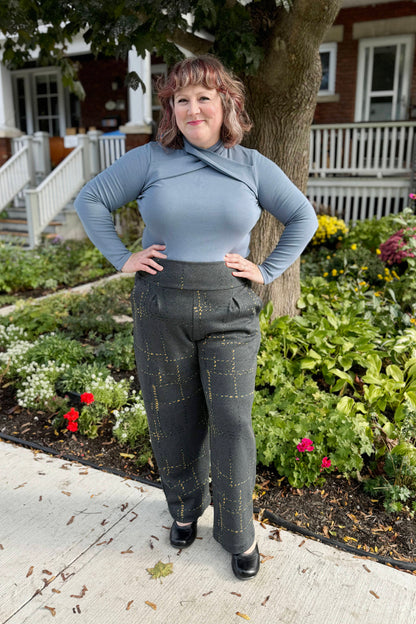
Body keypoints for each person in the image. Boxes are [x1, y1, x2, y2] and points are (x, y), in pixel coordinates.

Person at [75, 54, 318, 580]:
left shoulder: (252, 164)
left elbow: (303, 215)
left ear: (225, 103)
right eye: (180, 100)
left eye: (203, 97)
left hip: (230, 308)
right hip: (160, 305)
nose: (192, 108)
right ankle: (184, 509)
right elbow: (91, 199)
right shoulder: (150, 160)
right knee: (172, 415)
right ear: (171, 110)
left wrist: (267, 268)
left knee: (232, 421)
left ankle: (238, 531)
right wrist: (123, 258)